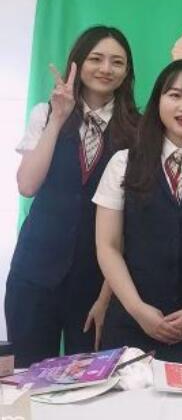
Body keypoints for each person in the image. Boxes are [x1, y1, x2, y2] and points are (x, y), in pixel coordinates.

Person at [6, 26, 140, 366]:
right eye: (96, 59)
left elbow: (132, 221)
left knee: (92, 380)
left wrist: (108, 295)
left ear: (127, 72)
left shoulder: (139, 130)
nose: (106, 69)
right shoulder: (45, 114)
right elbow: (27, 185)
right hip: (35, 272)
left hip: (96, 281)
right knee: (29, 377)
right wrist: (58, 118)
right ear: (77, 64)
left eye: (117, 62)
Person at [94, 60, 182, 364]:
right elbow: (108, 245)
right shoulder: (123, 162)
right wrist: (137, 309)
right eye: (175, 95)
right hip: (131, 323)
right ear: (158, 101)